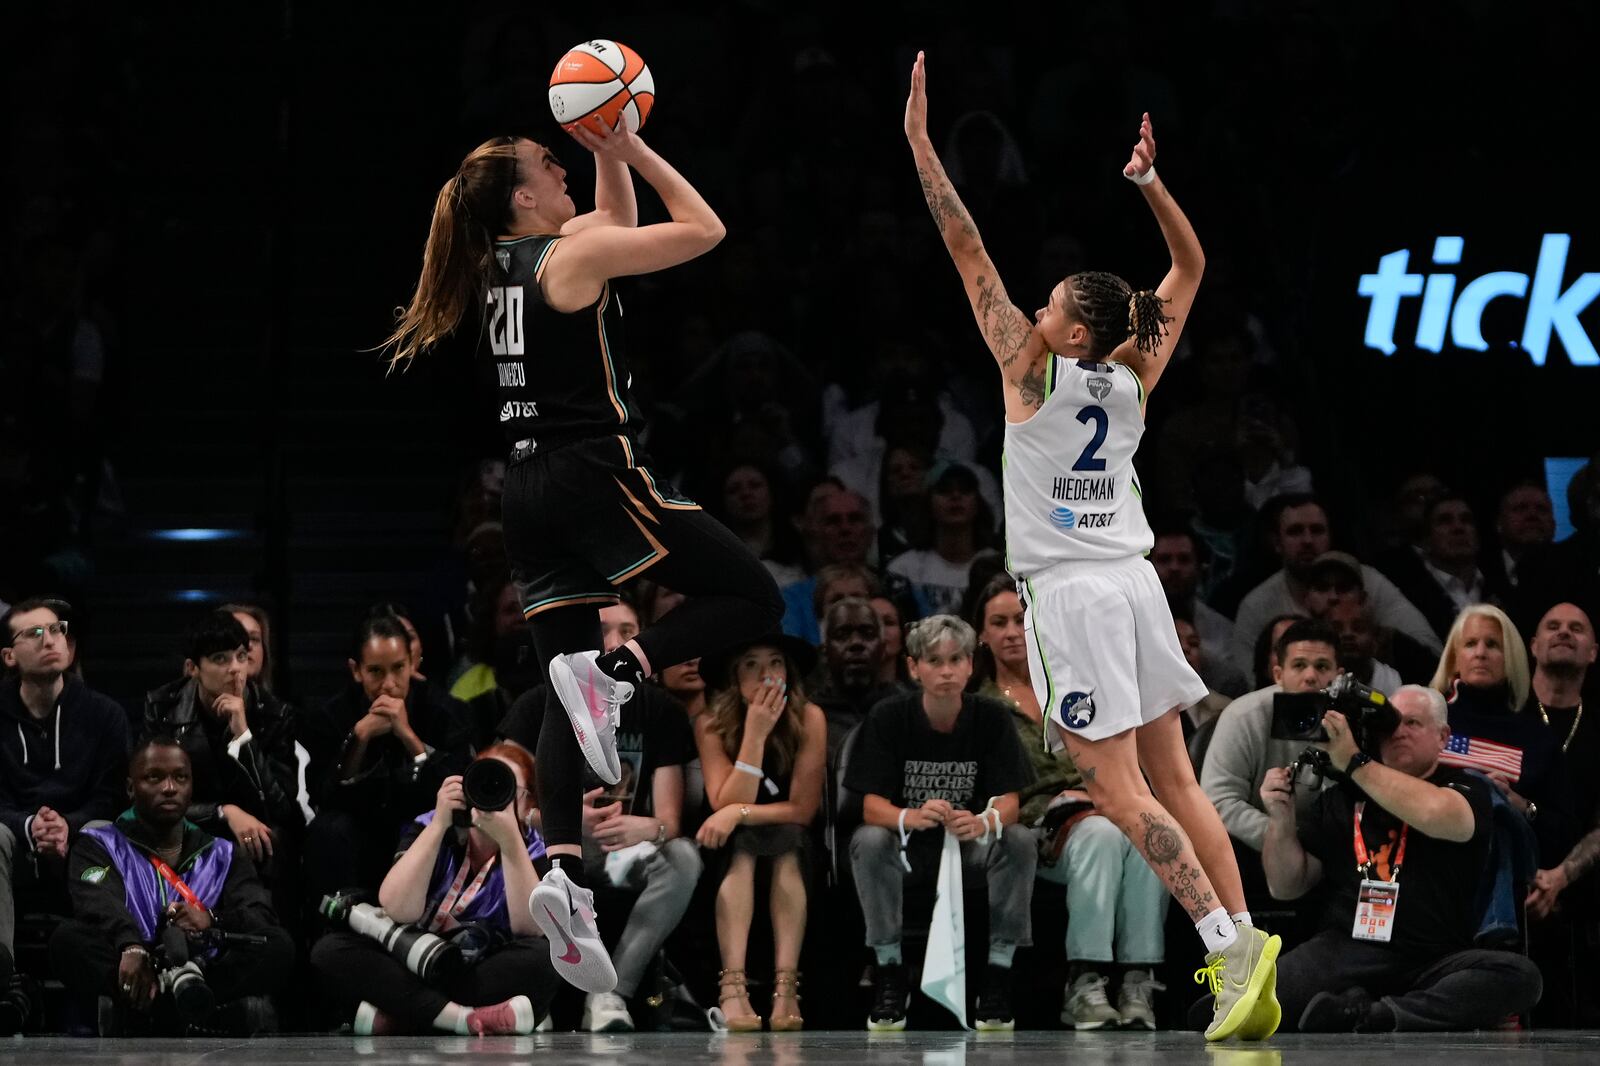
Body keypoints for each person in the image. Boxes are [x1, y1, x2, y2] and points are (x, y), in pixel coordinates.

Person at [904, 53, 1277, 1040]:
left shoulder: (1027, 375)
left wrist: (917, 145)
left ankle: (1222, 944)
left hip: (1071, 595)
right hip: (1138, 583)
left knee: (1111, 786)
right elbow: (1190, 270)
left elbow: (962, 241)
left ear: (1069, 331)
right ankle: (1244, 935)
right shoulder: (1134, 374)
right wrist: (1151, 188)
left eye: (1052, 303)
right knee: (1177, 776)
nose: (1033, 307)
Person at [382, 116, 784, 992]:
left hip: (523, 494)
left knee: (562, 701)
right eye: (547, 164)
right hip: (596, 473)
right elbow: (706, 230)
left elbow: (608, 217)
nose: (561, 168)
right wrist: (634, 148)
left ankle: (562, 874)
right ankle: (627, 665)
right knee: (754, 598)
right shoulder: (570, 261)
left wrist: (607, 154)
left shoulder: (504, 266)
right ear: (524, 196)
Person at [1259, 686, 1543, 1031]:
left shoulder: (1466, 787)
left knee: (1520, 976)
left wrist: (1354, 762)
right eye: (1390, 723)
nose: (1398, 731)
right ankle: (1360, 1005)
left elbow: (1438, 814)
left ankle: (1380, 1015)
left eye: (1412, 722)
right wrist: (1280, 818)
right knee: (1227, 1009)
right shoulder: (1343, 796)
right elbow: (1286, 885)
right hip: (1348, 949)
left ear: (1443, 737)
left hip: (1434, 958)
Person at [970, 576, 1168, 1030]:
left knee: (1146, 835)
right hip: (1031, 828)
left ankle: (1139, 980)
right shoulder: (978, 705)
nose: (1010, 631)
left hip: (1104, 809)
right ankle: (1084, 982)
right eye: (997, 622)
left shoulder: (1076, 688)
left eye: (1020, 620)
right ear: (981, 634)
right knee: (1101, 833)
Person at [497, 601, 702, 1032]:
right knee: (521, 852)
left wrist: (649, 827)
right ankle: (539, 996)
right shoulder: (539, 704)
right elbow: (507, 802)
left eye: (628, 630)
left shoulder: (661, 709)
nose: (616, 642)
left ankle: (611, 993)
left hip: (627, 850)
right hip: (557, 846)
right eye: (605, 630)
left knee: (684, 857)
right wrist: (560, 824)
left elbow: (669, 820)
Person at [846, 614, 1035, 1031]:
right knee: (869, 840)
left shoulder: (992, 717)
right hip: (908, 850)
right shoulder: (888, 716)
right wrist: (909, 816)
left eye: (956, 659)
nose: (947, 671)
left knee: (1018, 838)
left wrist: (983, 822)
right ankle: (890, 970)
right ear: (913, 667)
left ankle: (998, 973)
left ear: (971, 664)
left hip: (968, 849)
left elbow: (1010, 802)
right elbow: (869, 806)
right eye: (934, 661)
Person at [51, 735, 293, 1036]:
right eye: (155, 777)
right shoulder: (100, 844)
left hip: (205, 970)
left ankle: (154, 1013)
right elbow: (97, 902)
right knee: (67, 939)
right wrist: (132, 945)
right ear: (130, 788)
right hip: (135, 962)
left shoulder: (222, 853)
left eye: (180, 778)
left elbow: (257, 910)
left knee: (277, 944)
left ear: (192, 789)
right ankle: (201, 1015)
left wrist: (212, 919)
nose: (169, 788)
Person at [310, 745, 557, 1035]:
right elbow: (399, 908)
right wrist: (439, 825)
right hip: (408, 961)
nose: (491, 792)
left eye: (505, 786)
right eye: (482, 780)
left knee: (545, 957)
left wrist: (510, 841)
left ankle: (406, 1016)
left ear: (527, 805)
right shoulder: (430, 826)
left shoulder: (534, 850)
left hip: (475, 969)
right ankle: (461, 1019)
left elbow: (530, 928)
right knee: (330, 951)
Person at [1, 597, 130, 1030]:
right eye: (33, 633)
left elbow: (112, 797)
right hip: (16, 842)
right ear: (8, 656)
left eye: (56, 629)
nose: (49, 639)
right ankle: (2, 979)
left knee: (101, 832)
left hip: (79, 843)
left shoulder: (104, 714)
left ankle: (112, 971)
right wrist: (29, 825)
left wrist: (65, 827)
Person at [693, 634, 826, 1032]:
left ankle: (786, 990)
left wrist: (740, 812)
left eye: (776, 663)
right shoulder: (710, 722)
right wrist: (753, 736)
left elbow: (802, 810)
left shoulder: (810, 717)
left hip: (792, 838)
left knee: (785, 840)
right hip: (725, 845)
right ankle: (732, 989)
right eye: (751, 664)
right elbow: (722, 801)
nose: (766, 675)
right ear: (734, 677)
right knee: (744, 844)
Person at [300, 616, 472, 909]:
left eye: (397, 669)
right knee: (327, 829)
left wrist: (408, 736)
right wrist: (359, 737)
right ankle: (338, 923)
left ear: (413, 664)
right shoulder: (330, 715)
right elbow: (323, 795)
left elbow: (456, 786)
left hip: (424, 829)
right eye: (376, 672)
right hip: (360, 833)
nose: (388, 685)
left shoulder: (445, 711)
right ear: (356, 671)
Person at [143, 611, 305, 907]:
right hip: (189, 824)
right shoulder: (163, 708)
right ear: (193, 668)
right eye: (220, 659)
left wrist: (244, 737)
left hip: (252, 833)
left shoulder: (273, 714)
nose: (235, 669)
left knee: (270, 840)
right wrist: (222, 812)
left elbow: (280, 806)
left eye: (241, 656)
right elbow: (152, 799)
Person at [1429, 605, 1575, 867]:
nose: (1481, 653)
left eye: (1493, 645)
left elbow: (1562, 833)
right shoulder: (1426, 718)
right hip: (1427, 869)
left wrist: (1521, 805)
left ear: (1512, 659)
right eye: (1471, 643)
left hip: (1501, 875)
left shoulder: (1538, 739)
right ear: (1454, 658)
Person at [1233, 496, 1440, 670]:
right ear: (1277, 543)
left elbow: (1430, 649)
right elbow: (1246, 679)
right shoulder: (1257, 605)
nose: (1307, 540)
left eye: (1317, 530)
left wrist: (1379, 639)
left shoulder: (1370, 581)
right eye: (1295, 531)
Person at [1202, 620, 1341, 854]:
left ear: (1338, 676)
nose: (1310, 676)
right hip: (1251, 850)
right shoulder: (1243, 716)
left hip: (1331, 852)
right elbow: (1219, 802)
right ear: (1278, 674)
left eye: (1322, 666)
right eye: (1298, 665)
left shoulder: (1352, 721)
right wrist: (1287, 839)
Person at [885, 462, 1000, 618]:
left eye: (965, 490)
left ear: (978, 503)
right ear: (928, 502)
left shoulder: (996, 566)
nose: (955, 496)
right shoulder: (903, 569)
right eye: (944, 490)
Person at [1150, 527, 1249, 696]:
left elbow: (1235, 682)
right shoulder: (1125, 621)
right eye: (1164, 559)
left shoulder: (1223, 630)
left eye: (1184, 559)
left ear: (1199, 567)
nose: (1174, 567)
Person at [809, 597, 907, 764]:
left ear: (882, 648)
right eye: (842, 635)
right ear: (825, 651)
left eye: (867, 634)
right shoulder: (806, 717)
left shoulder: (907, 710)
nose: (856, 643)